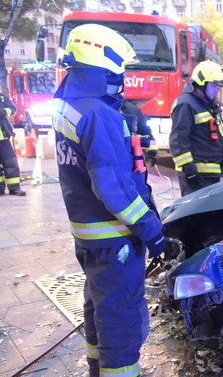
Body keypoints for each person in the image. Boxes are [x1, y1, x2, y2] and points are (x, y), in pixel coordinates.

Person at [51, 23, 164, 376]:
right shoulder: (99, 114)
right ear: (106, 65)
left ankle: (97, 369)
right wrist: (151, 231)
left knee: (99, 311)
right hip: (114, 240)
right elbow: (112, 188)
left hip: (87, 237)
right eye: (121, 70)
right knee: (122, 324)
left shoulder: (67, 102)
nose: (124, 77)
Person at [169, 60, 223, 196]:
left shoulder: (207, 104)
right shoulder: (186, 104)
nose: (216, 90)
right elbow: (178, 141)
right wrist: (189, 172)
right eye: (214, 85)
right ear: (201, 83)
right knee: (195, 216)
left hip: (209, 175)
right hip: (196, 177)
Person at [0, 92, 25, 196]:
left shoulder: (1, 97)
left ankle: (14, 188)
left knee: (10, 162)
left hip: (3, 138)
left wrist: (3, 112)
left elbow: (13, 109)